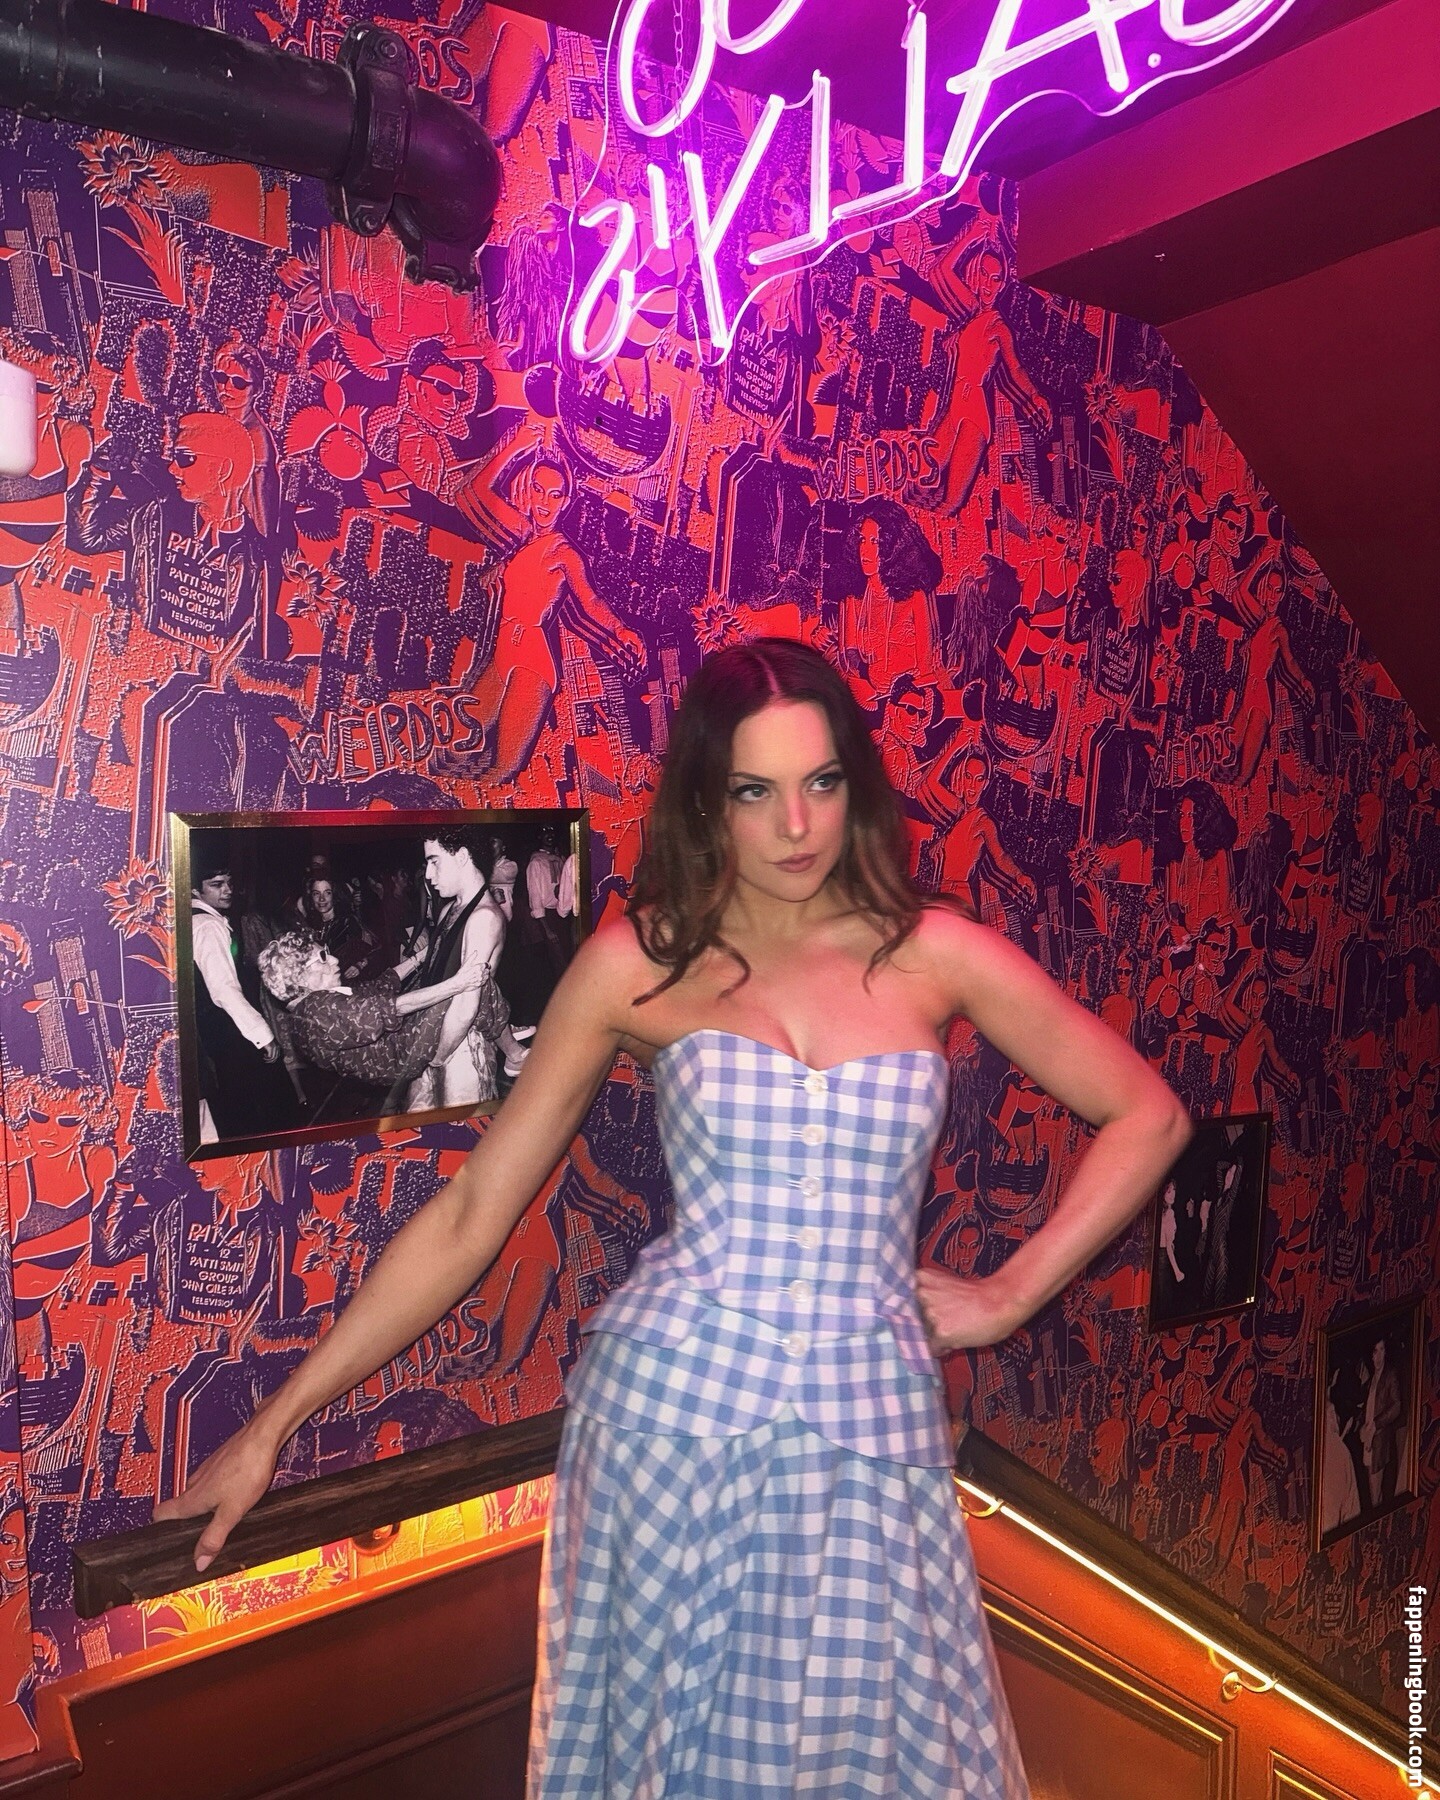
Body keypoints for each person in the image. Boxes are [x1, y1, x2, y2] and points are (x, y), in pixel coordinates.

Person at [155, 639, 1192, 1798]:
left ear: (854, 783)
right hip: (670, 1428)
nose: (795, 825)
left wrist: (1008, 1296)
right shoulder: (633, 964)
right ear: (707, 800)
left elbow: (1148, 1115)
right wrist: (274, 1427)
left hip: (871, 1431)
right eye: (755, 791)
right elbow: (472, 1214)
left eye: (821, 782)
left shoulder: (932, 951)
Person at [257, 933, 503, 1107]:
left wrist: (422, 955)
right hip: (402, 1052)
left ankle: (499, 1034)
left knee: (444, 986)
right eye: (323, 956)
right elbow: (391, 1008)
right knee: (476, 986)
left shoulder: (311, 1008)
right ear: (300, 976)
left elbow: (380, 985)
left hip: (398, 1047)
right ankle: (510, 1049)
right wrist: (457, 983)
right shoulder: (316, 1011)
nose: (334, 960)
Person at [189, 854, 301, 1143]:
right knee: (261, 1110)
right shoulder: (207, 926)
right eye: (216, 884)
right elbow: (224, 990)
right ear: (195, 890)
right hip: (229, 1030)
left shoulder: (199, 920)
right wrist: (263, 1035)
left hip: (215, 1031)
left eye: (229, 882)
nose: (227, 890)